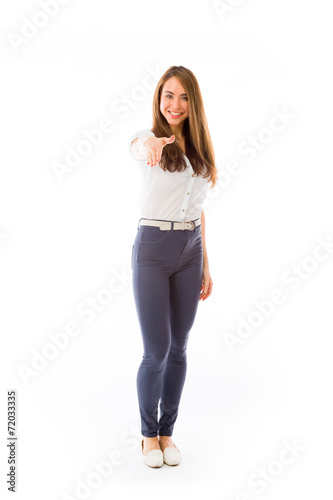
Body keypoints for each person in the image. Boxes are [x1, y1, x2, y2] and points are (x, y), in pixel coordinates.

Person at [129, 65, 217, 468]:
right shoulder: (149, 140)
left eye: (183, 97)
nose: (175, 105)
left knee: (180, 347)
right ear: (158, 98)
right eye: (168, 95)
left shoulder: (200, 149)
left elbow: (200, 212)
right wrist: (149, 147)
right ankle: (148, 436)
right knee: (157, 350)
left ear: (192, 102)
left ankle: (167, 433)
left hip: (190, 250)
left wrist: (205, 264)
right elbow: (137, 144)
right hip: (153, 247)